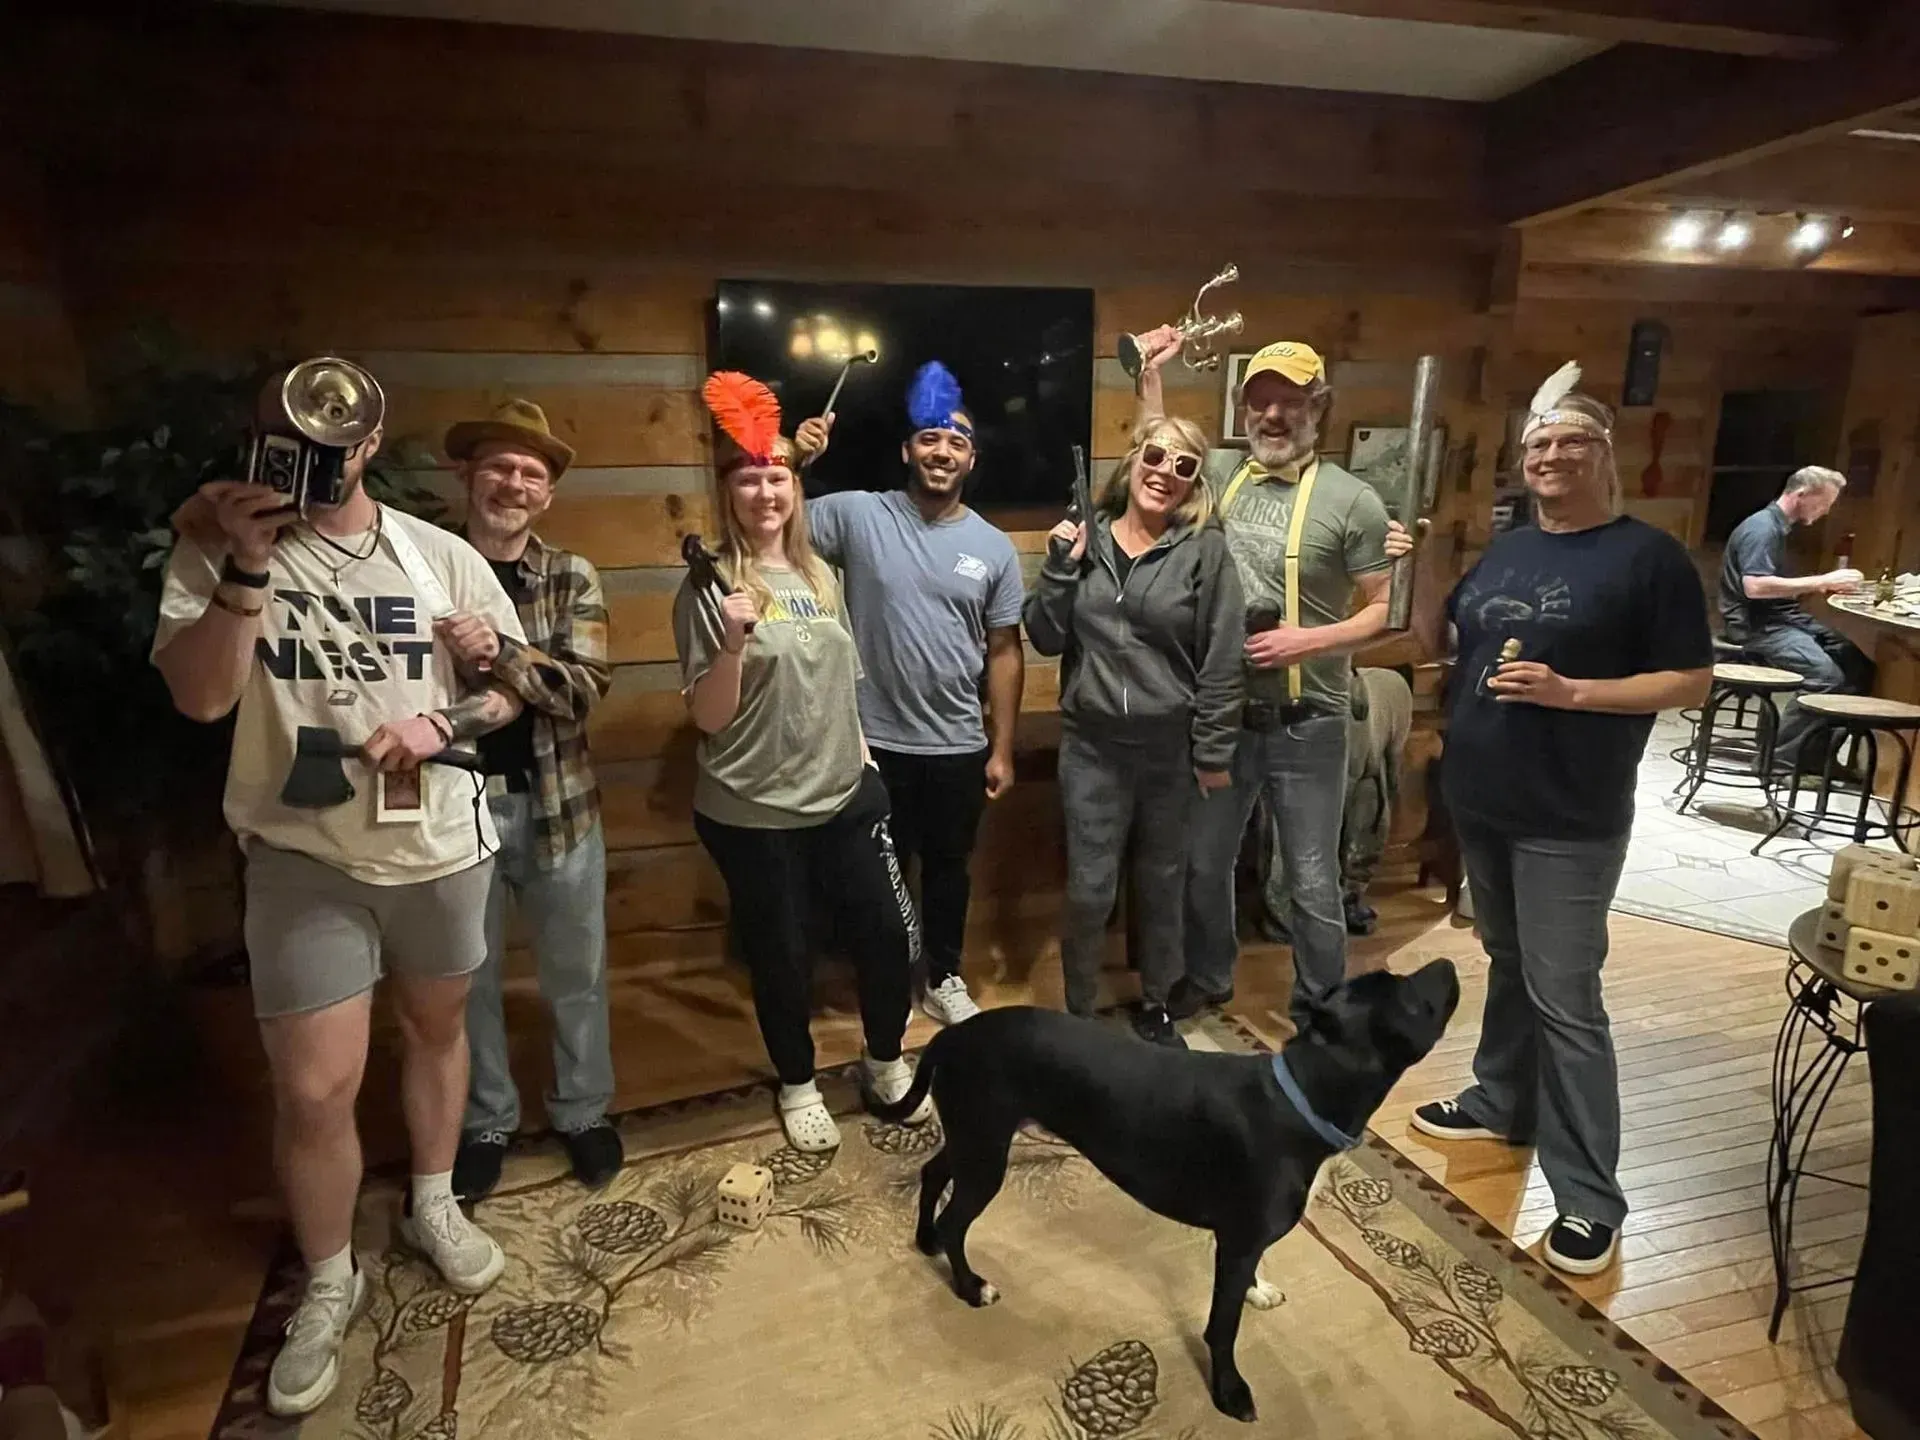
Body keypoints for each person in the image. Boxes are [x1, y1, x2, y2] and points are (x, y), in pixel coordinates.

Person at [152, 371, 524, 1416]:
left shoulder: (436, 553)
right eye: (283, 437)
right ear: (255, 441)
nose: (312, 457)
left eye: (333, 438)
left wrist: (446, 719)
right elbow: (202, 697)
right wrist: (244, 569)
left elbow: (510, 686)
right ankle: (327, 1276)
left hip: (439, 843)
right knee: (315, 1086)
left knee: (437, 1029)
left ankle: (434, 1203)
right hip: (300, 849)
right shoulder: (215, 548)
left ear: (369, 443)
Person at [1409, 362, 1713, 1277]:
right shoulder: (1509, 549)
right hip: (1483, 800)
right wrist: (1415, 564)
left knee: (1567, 1001)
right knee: (1509, 962)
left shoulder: (1646, 557)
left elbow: (1692, 682)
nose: (1550, 455)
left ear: (1602, 454)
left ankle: (1589, 1197)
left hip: (1569, 816)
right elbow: (1445, 641)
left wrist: (1572, 690)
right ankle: (1501, 1098)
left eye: (1569, 441)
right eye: (1538, 443)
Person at [674, 371, 931, 1153]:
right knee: (782, 956)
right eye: (748, 478)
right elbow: (708, 719)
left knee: (889, 939)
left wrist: (868, 769)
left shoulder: (824, 574)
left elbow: (841, 686)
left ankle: (885, 1061)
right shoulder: (710, 585)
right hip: (752, 811)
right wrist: (728, 643)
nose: (764, 492)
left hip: (844, 795)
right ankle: (796, 1081)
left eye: (776, 476)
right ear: (729, 492)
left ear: (795, 486)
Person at [1132, 330, 1410, 1028]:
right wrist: (1150, 379)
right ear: (1243, 409)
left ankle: (1319, 1008)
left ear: (1320, 406)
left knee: (1311, 880)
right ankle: (1212, 976)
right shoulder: (1220, 473)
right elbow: (1152, 449)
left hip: (1309, 723)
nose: (1274, 417)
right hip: (1224, 720)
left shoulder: (1354, 501)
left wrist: (1308, 641)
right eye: (1261, 403)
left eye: (1290, 402)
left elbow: (1384, 610)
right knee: (1207, 864)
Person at [792, 361, 1025, 1026]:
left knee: (948, 871)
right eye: (929, 438)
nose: (941, 451)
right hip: (870, 744)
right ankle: (882, 979)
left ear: (971, 459)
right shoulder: (858, 516)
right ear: (907, 449)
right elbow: (771, 524)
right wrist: (793, 458)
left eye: (956, 442)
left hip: (957, 744)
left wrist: (1002, 748)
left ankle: (945, 974)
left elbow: (1005, 652)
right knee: (867, 877)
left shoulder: (993, 548)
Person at [434, 400, 621, 1204]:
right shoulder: (422, 568)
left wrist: (499, 652)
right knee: (464, 982)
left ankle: (583, 1113)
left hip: (560, 807)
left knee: (575, 976)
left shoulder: (571, 574)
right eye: (500, 467)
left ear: (547, 495)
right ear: (468, 476)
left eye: (530, 474)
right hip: (447, 811)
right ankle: (485, 1124)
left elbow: (582, 691)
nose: (513, 483)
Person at [1023, 416, 1244, 1045]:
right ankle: (1079, 1012)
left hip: (1170, 752)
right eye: (1156, 455)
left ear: (1194, 485)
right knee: (1091, 889)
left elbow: (1223, 657)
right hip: (1092, 749)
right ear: (1133, 460)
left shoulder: (1206, 551)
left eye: (1184, 467)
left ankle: (1156, 1003)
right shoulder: (1085, 541)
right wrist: (1061, 567)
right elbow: (1043, 634)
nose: (1165, 473)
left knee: (1162, 882)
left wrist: (1213, 751)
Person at [1719, 466, 1872, 766]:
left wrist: (1824, 587)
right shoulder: (1762, 528)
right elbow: (1755, 587)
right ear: (1802, 494)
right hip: (1756, 625)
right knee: (1824, 677)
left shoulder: (1779, 527)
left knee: (1856, 664)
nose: (1826, 511)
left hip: (1782, 619)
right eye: (1824, 502)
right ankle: (1780, 762)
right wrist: (1821, 580)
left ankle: (1819, 758)